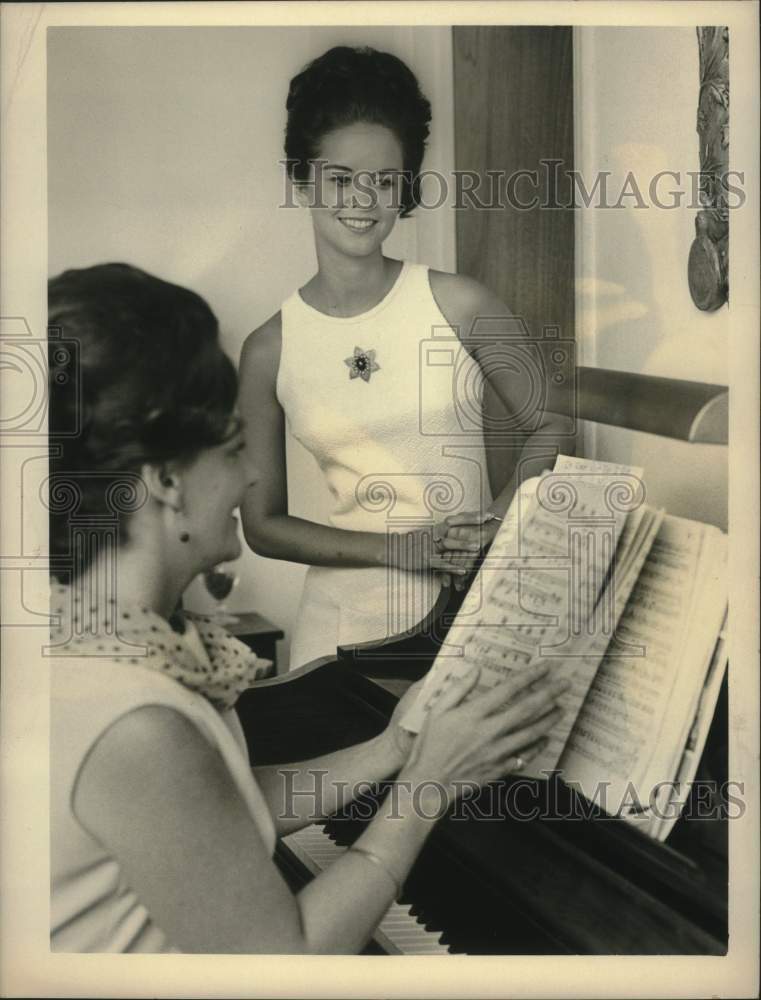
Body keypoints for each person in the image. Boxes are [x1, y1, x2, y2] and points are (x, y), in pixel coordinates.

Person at [48, 262, 568, 954]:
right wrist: (426, 787)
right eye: (234, 450)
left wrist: (394, 746)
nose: (252, 477)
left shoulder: (112, 636)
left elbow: (227, 811)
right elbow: (283, 961)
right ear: (167, 481)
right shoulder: (134, 721)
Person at [240, 46, 569, 668]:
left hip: (471, 615)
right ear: (302, 181)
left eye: (385, 181)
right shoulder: (269, 348)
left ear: (404, 187)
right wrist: (400, 549)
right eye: (341, 179)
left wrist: (499, 523)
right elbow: (261, 524)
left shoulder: (460, 302)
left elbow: (551, 419)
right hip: (338, 633)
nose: (364, 200)